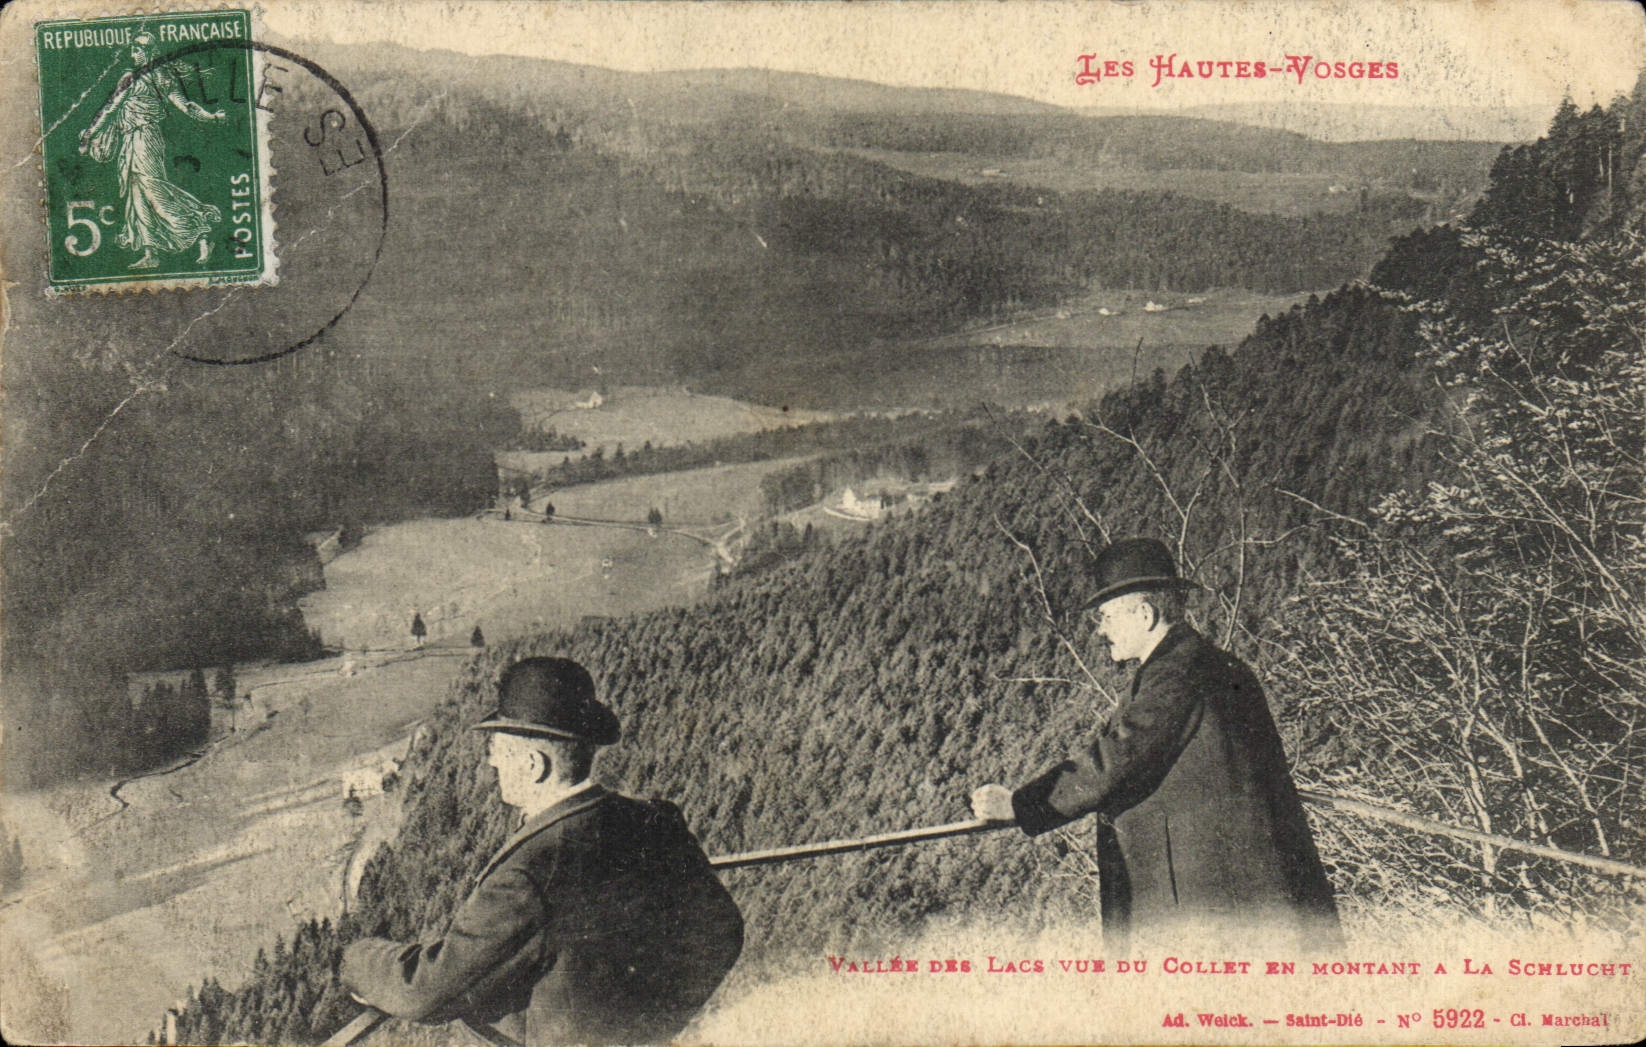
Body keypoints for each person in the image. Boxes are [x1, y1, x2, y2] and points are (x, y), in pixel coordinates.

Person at [343, 657, 743, 1044]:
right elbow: (724, 930)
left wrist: (355, 960)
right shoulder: (654, 821)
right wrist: (650, 1027)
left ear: (535, 765)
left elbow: (423, 991)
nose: (491, 762)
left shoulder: (529, 873)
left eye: (497, 750)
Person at [971, 538, 1340, 950]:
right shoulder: (1215, 664)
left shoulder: (1176, 673)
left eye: (1106, 616)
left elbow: (1117, 758)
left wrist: (1023, 806)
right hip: (1255, 896)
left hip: (1213, 911)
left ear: (1144, 614)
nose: (1099, 630)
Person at [78, 33, 225, 269]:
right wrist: (212, 118)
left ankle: (199, 229)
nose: (133, 55)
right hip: (132, 139)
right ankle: (151, 252)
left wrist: (89, 134)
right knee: (137, 193)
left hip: (144, 138)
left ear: (147, 53)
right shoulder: (161, 77)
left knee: (152, 188)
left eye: (137, 50)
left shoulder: (139, 77)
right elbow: (187, 107)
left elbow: (109, 108)